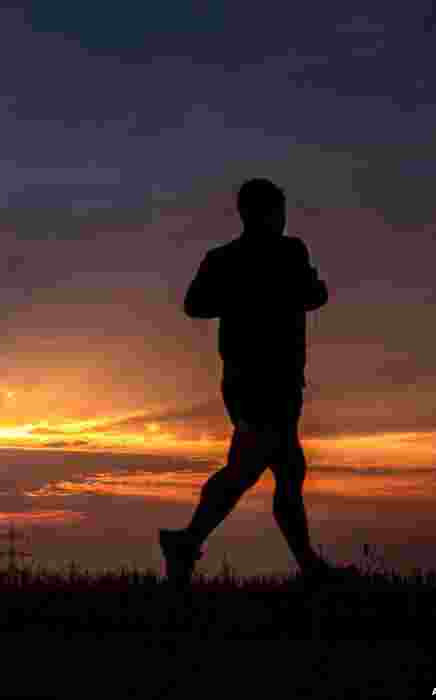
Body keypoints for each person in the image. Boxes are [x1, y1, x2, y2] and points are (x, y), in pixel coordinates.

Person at [159, 178, 358, 589]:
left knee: (278, 469)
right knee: (257, 468)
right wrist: (257, 293)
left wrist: (244, 295)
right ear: (262, 212)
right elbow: (197, 305)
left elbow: (197, 304)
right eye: (277, 211)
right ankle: (189, 541)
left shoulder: (230, 258)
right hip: (258, 380)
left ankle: (305, 566)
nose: (282, 220)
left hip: (268, 379)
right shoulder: (282, 252)